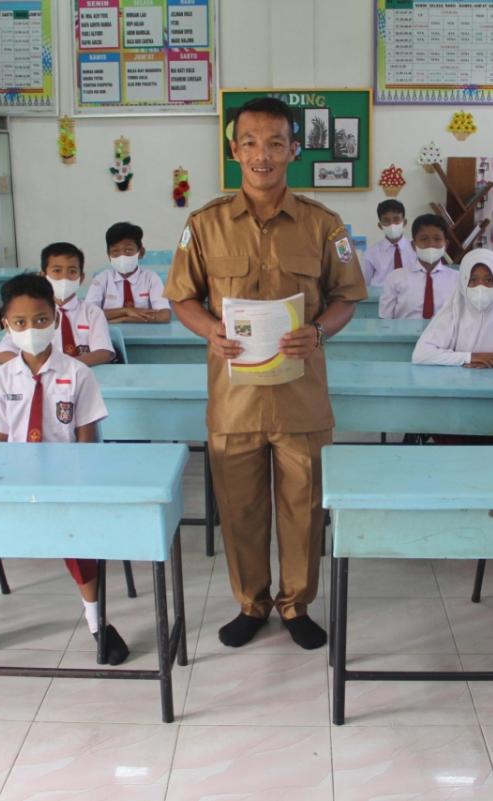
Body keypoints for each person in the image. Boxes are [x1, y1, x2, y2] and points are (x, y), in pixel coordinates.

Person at [165, 96, 367, 650]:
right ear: (234, 151)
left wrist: (320, 331)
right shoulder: (204, 224)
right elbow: (182, 298)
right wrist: (209, 330)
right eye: (250, 142)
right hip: (234, 400)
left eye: (275, 142)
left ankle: (296, 604)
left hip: (300, 396)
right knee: (241, 508)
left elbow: (348, 297)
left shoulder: (324, 225)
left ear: (293, 150)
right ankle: (251, 603)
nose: (263, 154)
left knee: (303, 509)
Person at [0, 273, 129, 664]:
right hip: (12, 478)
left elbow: (86, 439)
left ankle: (97, 619)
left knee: (76, 537)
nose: (32, 329)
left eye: (41, 320)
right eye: (20, 323)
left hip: (65, 478)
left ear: (56, 319)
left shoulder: (79, 374)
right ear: (6, 327)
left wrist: (80, 489)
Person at [412, 248, 493, 368]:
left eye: (489, 280)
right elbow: (421, 354)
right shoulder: (454, 313)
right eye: (473, 280)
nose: (480, 287)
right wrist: (468, 357)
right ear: (463, 282)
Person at [0, 242, 114, 367]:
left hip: (81, 375)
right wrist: (35, 367)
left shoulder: (92, 312)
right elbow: (4, 352)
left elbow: (103, 352)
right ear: (43, 276)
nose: (65, 278)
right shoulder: (32, 312)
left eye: (72, 271)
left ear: (81, 277)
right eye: (57, 271)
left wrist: (63, 367)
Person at [84, 222, 172, 323]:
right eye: (115, 252)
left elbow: (164, 315)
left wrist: (124, 319)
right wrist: (126, 311)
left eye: (128, 250)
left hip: (145, 334)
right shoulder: (102, 279)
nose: (122, 256)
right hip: (109, 335)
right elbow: (88, 313)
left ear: (141, 252)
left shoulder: (151, 278)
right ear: (109, 256)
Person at [378, 214, 457, 320]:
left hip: (445, 335)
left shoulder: (457, 279)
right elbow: (385, 319)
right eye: (424, 239)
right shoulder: (395, 278)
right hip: (402, 335)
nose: (431, 244)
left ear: (445, 244)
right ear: (413, 245)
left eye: (437, 239)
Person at [362, 199, 416, 287]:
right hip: (380, 297)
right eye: (386, 220)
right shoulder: (370, 253)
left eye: (396, 219)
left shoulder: (416, 249)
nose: (392, 224)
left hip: (410, 296)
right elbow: (365, 284)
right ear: (380, 226)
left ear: (404, 222)